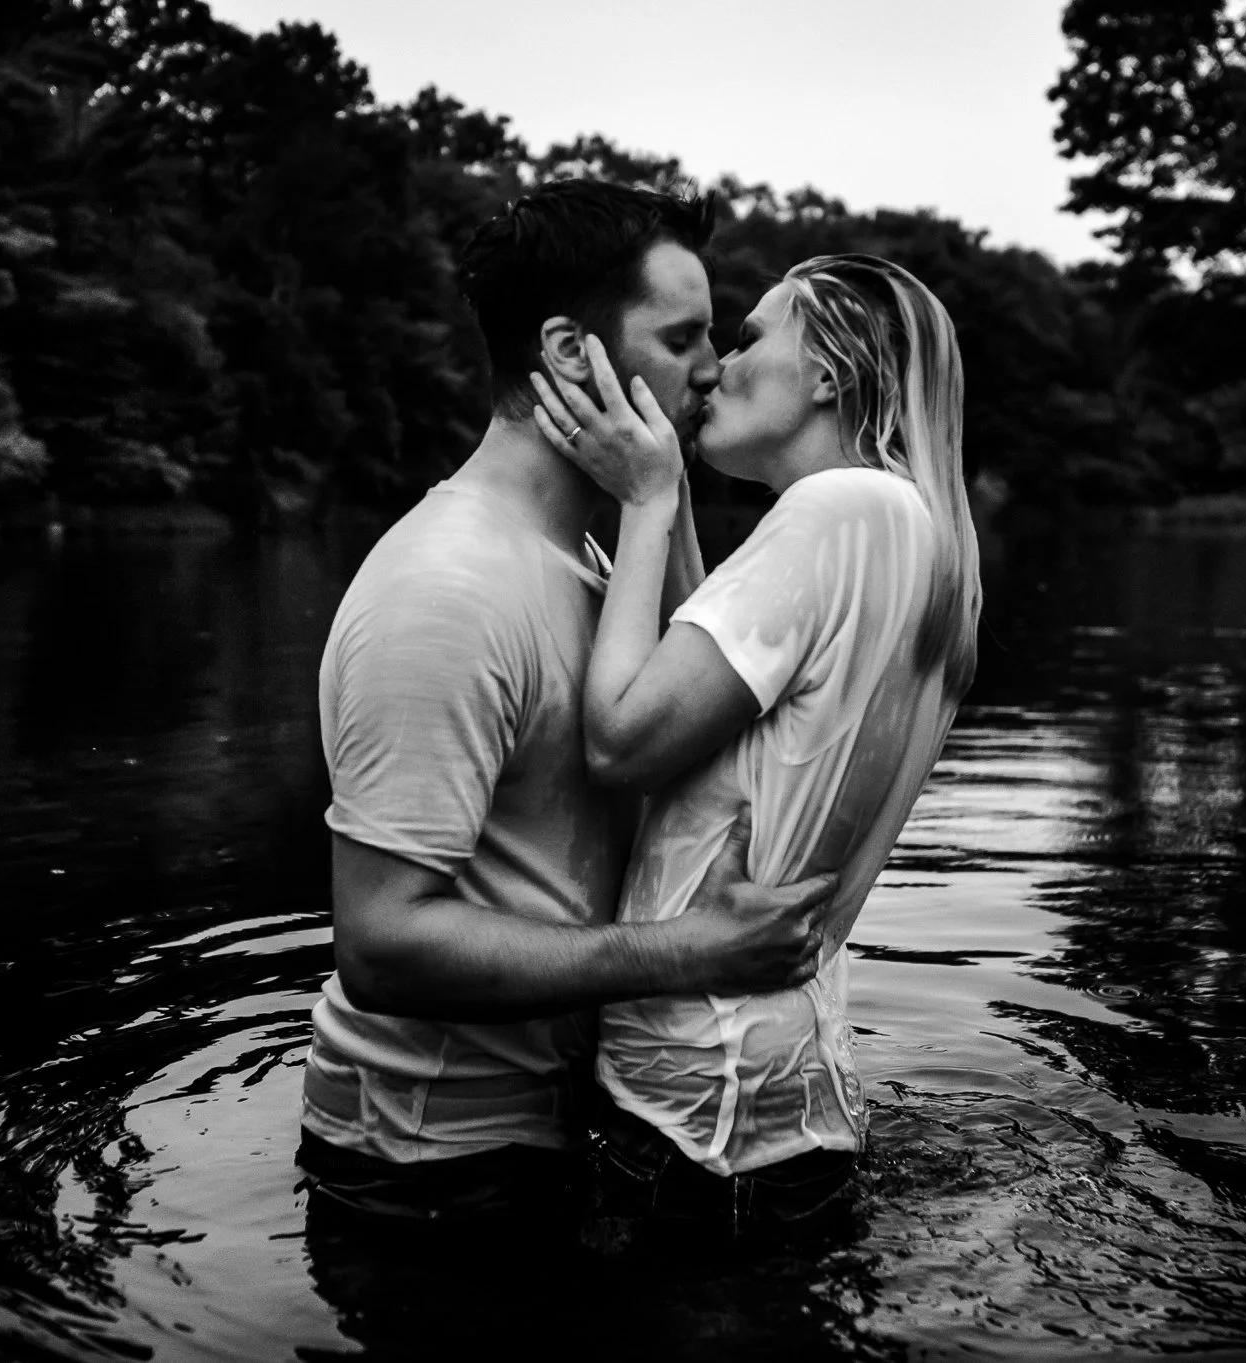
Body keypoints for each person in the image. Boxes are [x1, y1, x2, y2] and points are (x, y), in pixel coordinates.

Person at [297, 180, 840, 1238]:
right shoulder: (444, 592)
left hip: (555, 1142)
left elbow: (690, 739)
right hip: (424, 1178)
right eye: (681, 338)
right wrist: (691, 951)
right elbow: (378, 941)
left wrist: (661, 498)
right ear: (565, 349)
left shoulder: (595, 557)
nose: (714, 368)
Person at [530, 253, 980, 1241]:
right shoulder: (913, 532)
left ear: (828, 374)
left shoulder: (834, 511)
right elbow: (717, 703)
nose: (717, 367)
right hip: (786, 1102)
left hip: (691, 1117)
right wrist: (672, 485)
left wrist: (644, 503)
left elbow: (619, 739)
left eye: (748, 337)